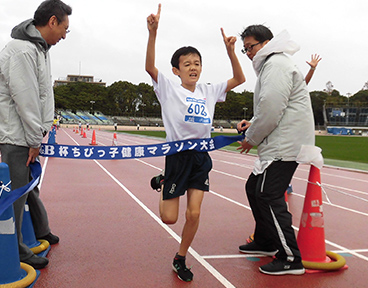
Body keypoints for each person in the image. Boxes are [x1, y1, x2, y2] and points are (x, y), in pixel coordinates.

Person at [146, 4, 245, 282]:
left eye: (197, 63)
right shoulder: (169, 88)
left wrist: (230, 52)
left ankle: (181, 257)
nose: (193, 68)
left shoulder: (208, 90)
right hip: (178, 158)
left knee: (194, 212)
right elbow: (149, 67)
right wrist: (153, 33)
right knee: (169, 218)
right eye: (187, 64)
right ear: (176, 70)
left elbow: (239, 78)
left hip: (201, 158)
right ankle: (166, 181)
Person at [236, 25, 315, 276]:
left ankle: (290, 258)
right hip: (279, 142)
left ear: (267, 43)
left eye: (251, 47)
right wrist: (252, 122)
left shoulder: (276, 64)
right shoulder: (271, 65)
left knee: (268, 195)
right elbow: (270, 107)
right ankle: (267, 241)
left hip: (284, 145)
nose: (248, 52)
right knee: (254, 187)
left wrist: (251, 137)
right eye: (245, 48)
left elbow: (272, 109)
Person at [0, 0, 72, 269]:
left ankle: (39, 230)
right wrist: (33, 139)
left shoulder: (40, 49)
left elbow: (43, 92)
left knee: (30, 187)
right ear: (52, 21)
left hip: (29, 134)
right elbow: (26, 98)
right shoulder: (21, 51)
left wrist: (41, 131)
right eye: (65, 28)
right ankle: (18, 250)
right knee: (17, 194)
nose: (65, 34)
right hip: (17, 136)